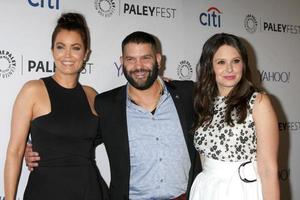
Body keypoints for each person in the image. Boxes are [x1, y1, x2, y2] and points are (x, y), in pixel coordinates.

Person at [25, 31, 201, 200]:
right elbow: (78, 136)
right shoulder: (107, 105)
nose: (138, 66)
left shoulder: (187, 93)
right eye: (130, 59)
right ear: (122, 62)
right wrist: (35, 145)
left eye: (145, 58)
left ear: (158, 59)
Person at [4, 12, 108, 200]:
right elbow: (15, 152)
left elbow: (114, 133)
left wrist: (155, 85)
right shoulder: (33, 90)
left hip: (89, 191)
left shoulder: (92, 95)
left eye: (75, 48)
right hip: (45, 191)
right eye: (61, 47)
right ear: (52, 50)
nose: (67, 55)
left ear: (86, 54)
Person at [189, 33, 280, 200]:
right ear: (210, 66)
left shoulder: (258, 102)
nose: (229, 69)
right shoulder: (204, 102)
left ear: (243, 64)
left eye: (236, 61)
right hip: (206, 188)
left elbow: (268, 169)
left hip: (242, 189)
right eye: (221, 62)